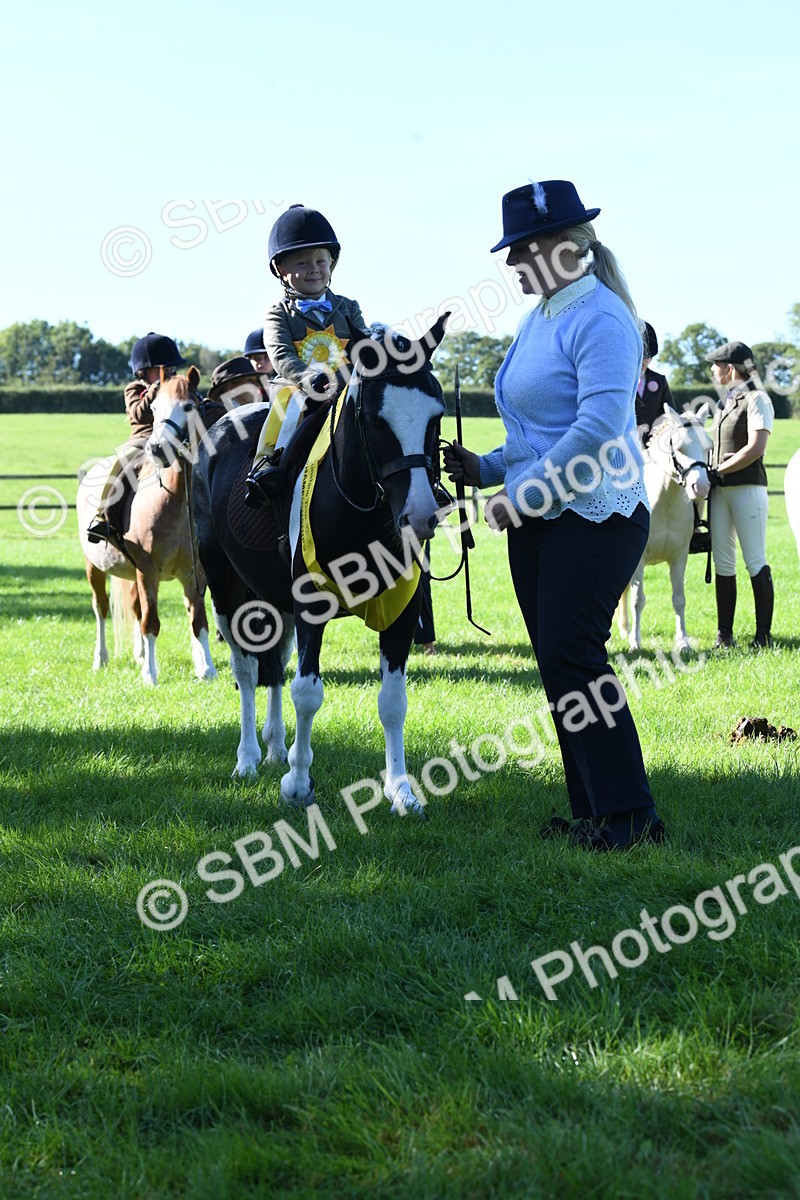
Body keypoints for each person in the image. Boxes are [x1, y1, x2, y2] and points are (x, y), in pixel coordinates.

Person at [444, 179, 665, 850]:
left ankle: (630, 817)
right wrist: (485, 469)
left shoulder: (600, 316)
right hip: (546, 516)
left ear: (563, 248)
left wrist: (526, 494)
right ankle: (595, 812)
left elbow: (599, 425)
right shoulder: (542, 317)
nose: (511, 263)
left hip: (597, 513)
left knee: (574, 654)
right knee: (559, 663)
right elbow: (534, 434)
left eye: (521, 249)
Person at [245, 204, 368, 504]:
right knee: (288, 408)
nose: (313, 268)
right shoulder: (277, 312)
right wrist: (305, 376)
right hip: (296, 386)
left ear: (331, 265)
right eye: (302, 263)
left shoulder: (348, 307)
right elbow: (280, 353)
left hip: (345, 385)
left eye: (320, 261)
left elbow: (363, 346)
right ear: (282, 270)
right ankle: (267, 466)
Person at [87, 332, 186, 546]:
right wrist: (155, 390)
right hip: (141, 441)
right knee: (119, 463)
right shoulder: (134, 389)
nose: (168, 374)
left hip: (172, 440)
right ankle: (101, 514)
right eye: (162, 370)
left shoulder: (175, 388)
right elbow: (138, 413)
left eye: (170, 369)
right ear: (144, 371)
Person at [706, 341, 775, 648]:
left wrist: (720, 470)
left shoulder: (757, 399)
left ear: (730, 368)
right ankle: (725, 635)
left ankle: (762, 636)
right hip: (721, 492)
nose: (711, 369)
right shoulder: (723, 404)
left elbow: (756, 447)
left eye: (716, 364)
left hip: (747, 487)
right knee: (723, 561)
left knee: (754, 559)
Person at [636, 322, 676, 448]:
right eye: (643, 356)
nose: (645, 360)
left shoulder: (659, 380)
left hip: (653, 444)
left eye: (649, 357)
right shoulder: (619, 379)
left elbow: (670, 412)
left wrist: (660, 427)